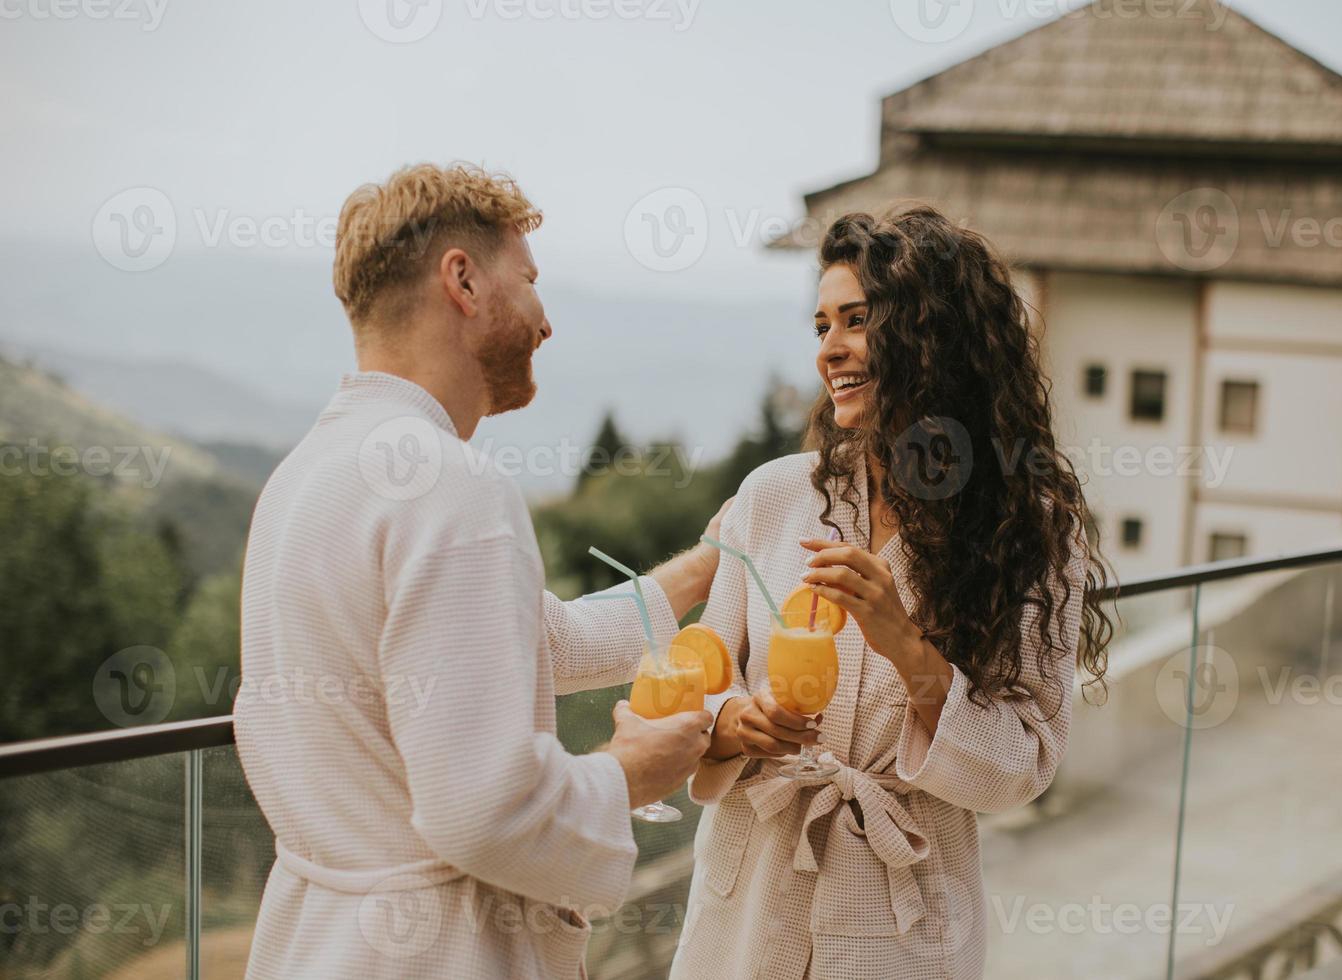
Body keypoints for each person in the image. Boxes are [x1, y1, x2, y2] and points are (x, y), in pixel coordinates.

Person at [235, 162, 721, 979]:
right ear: (462, 279)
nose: (545, 320)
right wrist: (632, 772)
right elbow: (483, 812)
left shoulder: (306, 477)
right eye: (529, 281)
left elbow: (541, 640)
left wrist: (710, 563)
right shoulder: (453, 484)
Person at [670, 205, 1113, 978]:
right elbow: (700, 674)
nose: (829, 351)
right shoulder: (774, 497)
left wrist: (908, 648)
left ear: (932, 338)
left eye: (857, 321)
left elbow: (1025, 766)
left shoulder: (1028, 532)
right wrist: (739, 721)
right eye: (819, 327)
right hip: (749, 900)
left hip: (902, 915)